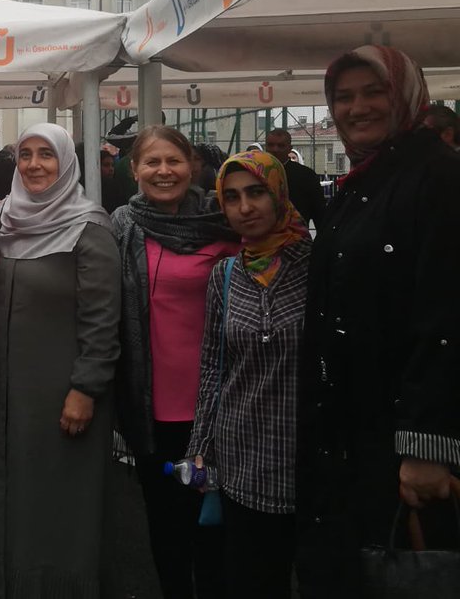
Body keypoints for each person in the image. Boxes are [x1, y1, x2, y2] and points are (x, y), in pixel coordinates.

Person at [296, 46, 460, 598]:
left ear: (407, 96)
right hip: (351, 437)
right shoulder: (361, 184)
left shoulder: (438, 178)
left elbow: (446, 315)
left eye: (374, 92)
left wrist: (427, 446)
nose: (356, 107)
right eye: (343, 97)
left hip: (399, 446)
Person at [0, 123, 120, 596]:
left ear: (66, 164)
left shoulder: (89, 227)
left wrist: (86, 388)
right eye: (26, 154)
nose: (35, 164)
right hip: (9, 392)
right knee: (12, 493)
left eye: (47, 155)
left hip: (64, 394)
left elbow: (103, 320)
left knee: (62, 501)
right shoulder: (1, 219)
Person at [111, 125, 239, 599]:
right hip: (151, 408)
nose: (164, 172)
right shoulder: (121, 226)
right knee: (165, 525)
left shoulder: (224, 223)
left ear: (193, 166)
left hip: (219, 407)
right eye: (152, 163)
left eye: (174, 161)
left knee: (213, 526)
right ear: (135, 170)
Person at [186, 151, 311, 599]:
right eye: (232, 197)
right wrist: (200, 447)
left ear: (278, 195)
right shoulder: (225, 274)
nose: (245, 207)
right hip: (242, 461)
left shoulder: (318, 267)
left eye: (256, 192)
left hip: (307, 459)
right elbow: (212, 368)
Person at [263, 129, 327, 230]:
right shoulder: (255, 172)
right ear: (265, 147)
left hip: (295, 236)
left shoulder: (306, 175)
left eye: (281, 146)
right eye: (271, 145)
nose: (275, 149)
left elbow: (319, 213)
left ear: (290, 149)